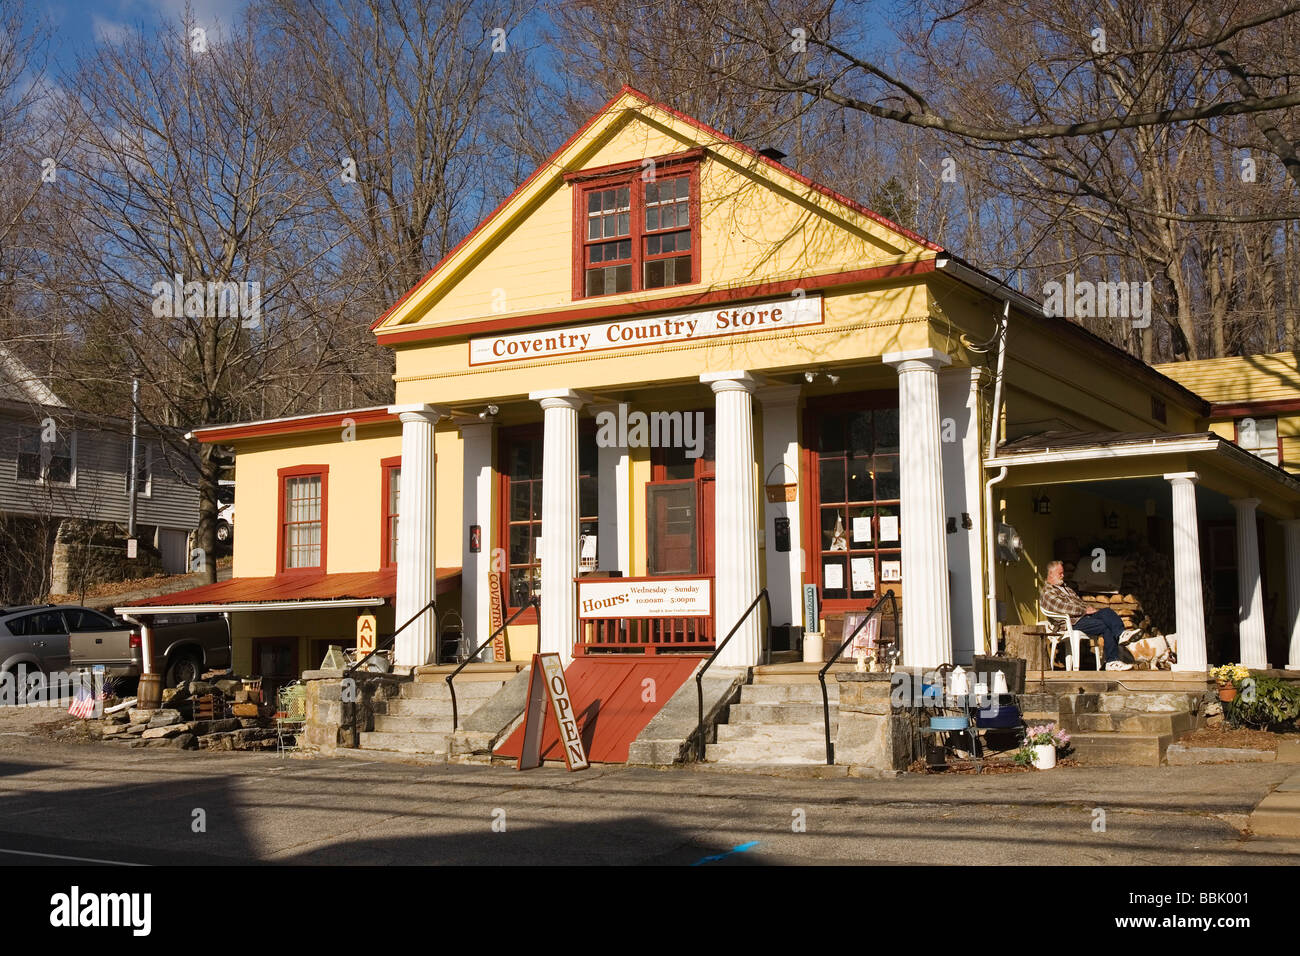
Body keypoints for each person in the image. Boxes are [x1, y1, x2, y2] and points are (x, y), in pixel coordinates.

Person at [1039, 560, 1137, 670]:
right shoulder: (1048, 592)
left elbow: (1079, 603)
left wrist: (1089, 608)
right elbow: (1063, 607)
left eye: (1063, 573)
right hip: (1071, 622)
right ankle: (1111, 661)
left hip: (1082, 617)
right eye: (1060, 573)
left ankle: (1122, 634)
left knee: (1107, 611)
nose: (1063, 575)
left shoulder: (1066, 588)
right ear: (1051, 574)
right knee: (1106, 626)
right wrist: (1084, 610)